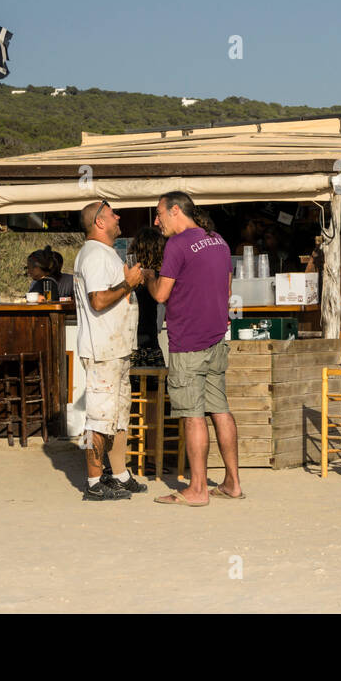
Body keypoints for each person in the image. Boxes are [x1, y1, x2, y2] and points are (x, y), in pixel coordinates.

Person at [145, 191, 244, 505]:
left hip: (188, 342)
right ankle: (232, 482)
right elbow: (227, 289)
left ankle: (198, 489)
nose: (156, 221)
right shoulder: (219, 241)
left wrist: (148, 277)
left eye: (160, 213)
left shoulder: (177, 244)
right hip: (217, 338)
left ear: (176, 210)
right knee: (220, 410)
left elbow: (161, 294)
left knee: (192, 415)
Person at [73, 200, 147, 501]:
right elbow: (98, 300)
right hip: (103, 349)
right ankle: (93, 482)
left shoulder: (103, 253)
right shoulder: (93, 255)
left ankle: (118, 473)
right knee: (98, 418)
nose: (118, 217)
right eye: (112, 214)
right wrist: (128, 285)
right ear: (99, 223)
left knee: (116, 416)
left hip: (115, 349)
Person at [130, 226, 167, 367]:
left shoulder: (129, 277)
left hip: (129, 343)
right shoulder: (160, 278)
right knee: (155, 387)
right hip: (151, 343)